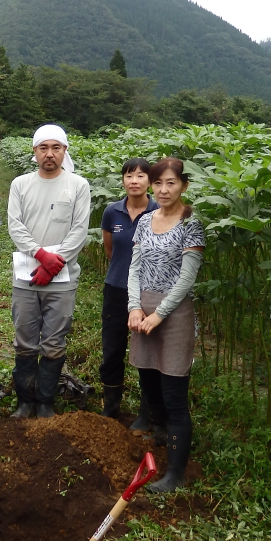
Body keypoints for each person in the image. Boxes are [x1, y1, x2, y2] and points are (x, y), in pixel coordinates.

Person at [128, 158, 205, 493]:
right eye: (158, 183)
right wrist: (134, 307)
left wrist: (159, 314)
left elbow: (187, 279)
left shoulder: (191, 223)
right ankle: (160, 440)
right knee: (149, 382)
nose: (163, 190)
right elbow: (135, 267)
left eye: (171, 183)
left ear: (183, 185)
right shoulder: (145, 221)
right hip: (143, 308)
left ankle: (175, 474)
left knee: (174, 394)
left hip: (173, 314)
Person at [8, 124, 91, 418]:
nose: (49, 154)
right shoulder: (20, 184)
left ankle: (45, 401)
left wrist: (55, 264)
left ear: (65, 151)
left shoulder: (78, 185)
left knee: (54, 340)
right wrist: (40, 254)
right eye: (43, 148)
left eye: (56, 148)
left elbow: (79, 230)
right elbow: (15, 226)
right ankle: (25, 401)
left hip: (62, 277)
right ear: (34, 152)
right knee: (25, 339)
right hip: (26, 275)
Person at [99, 159, 158, 420]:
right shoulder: (112, 212)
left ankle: (147, 412)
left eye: (140, 176)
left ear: (149, 181)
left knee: (147, 352)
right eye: (129, 175)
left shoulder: (159, 211)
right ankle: (111, 409)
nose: (134, 181)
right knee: (112, 349)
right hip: (116, 289)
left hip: (150, 293)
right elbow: (110, 250)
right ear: (122, 180)